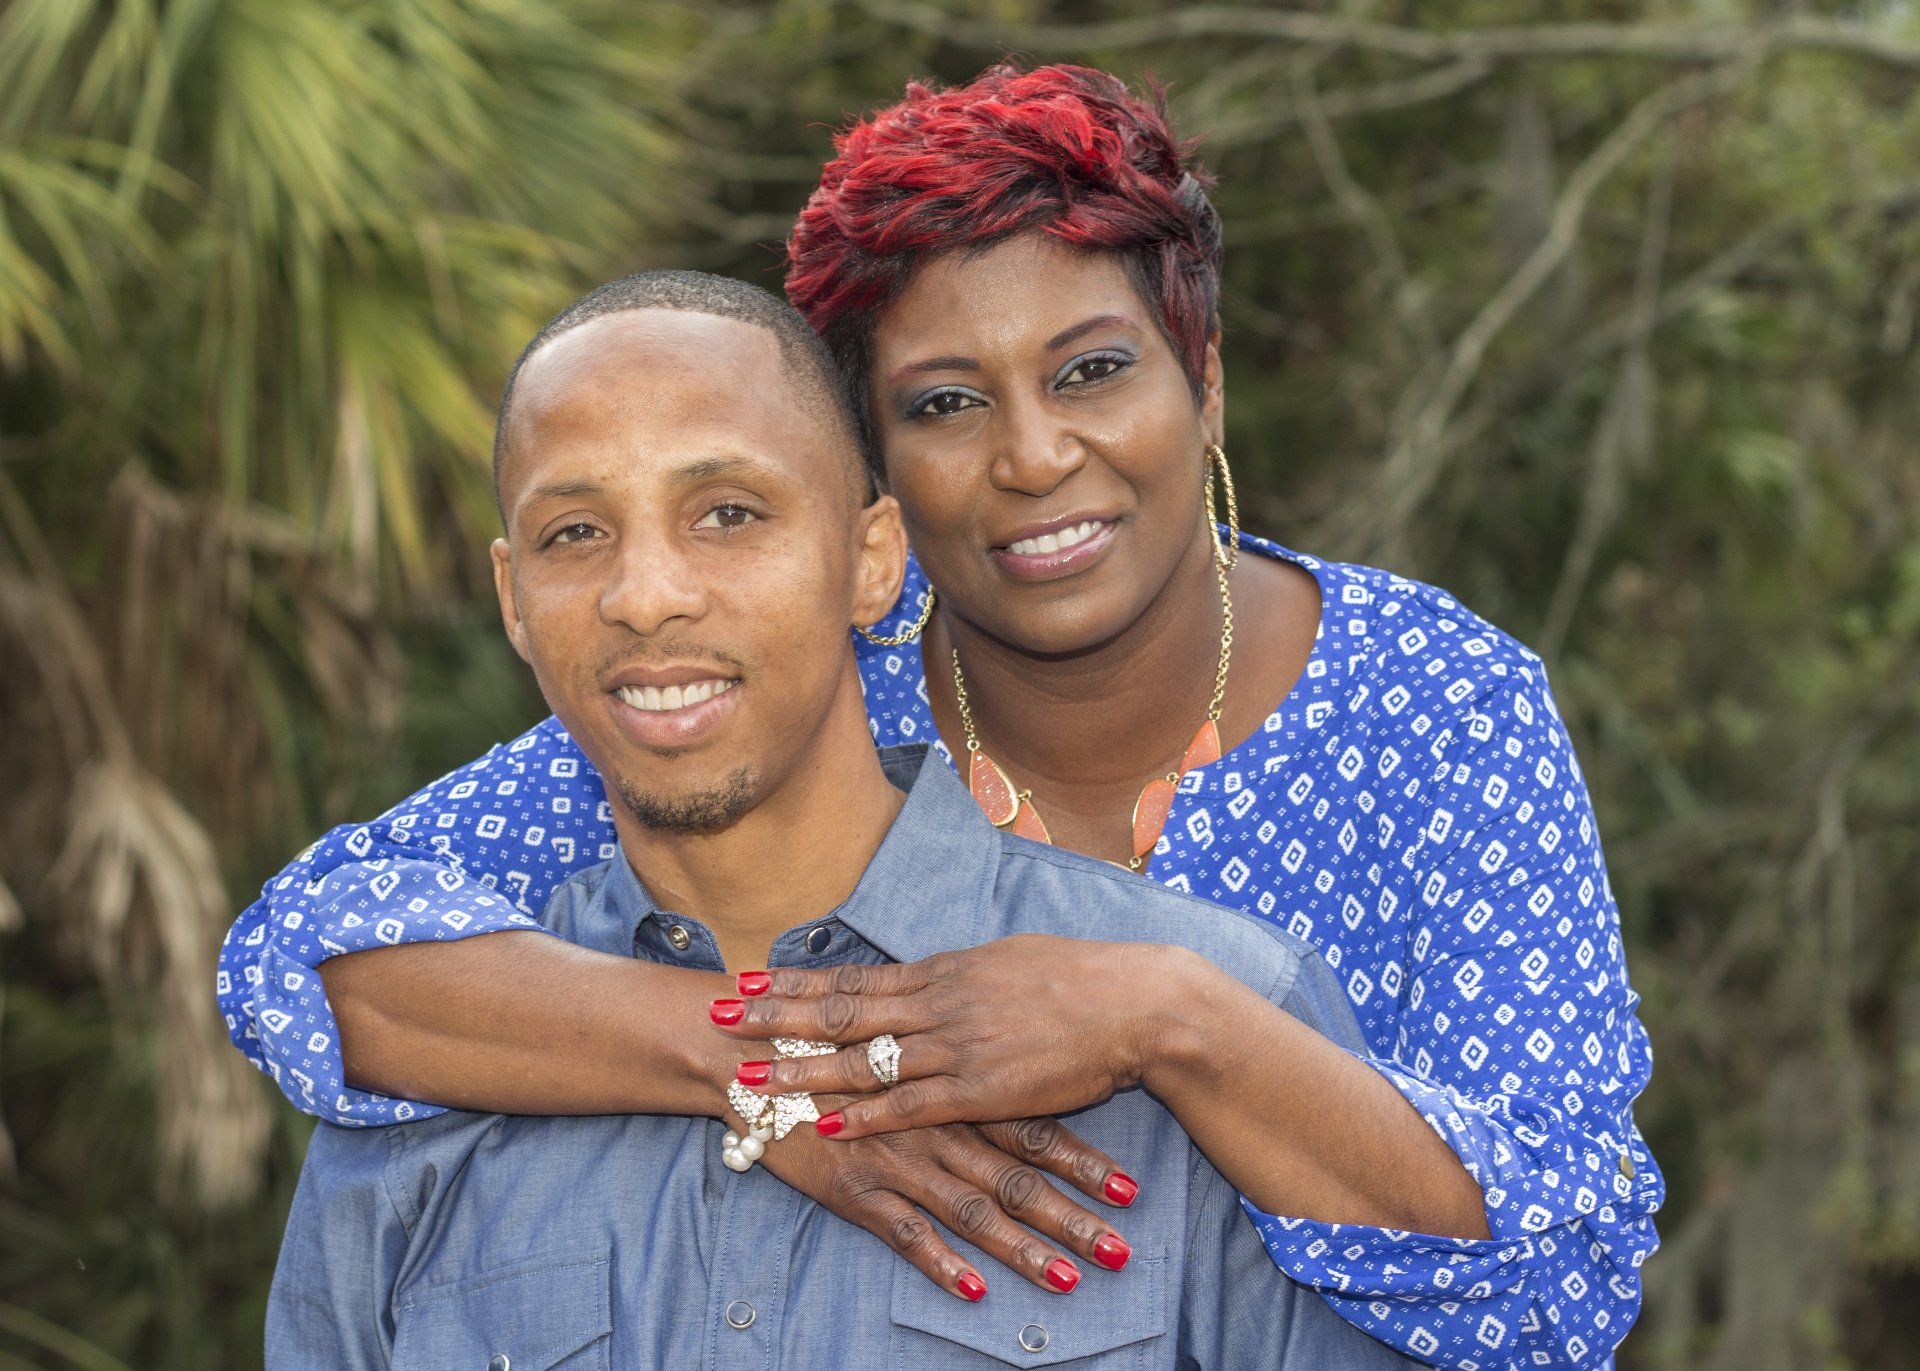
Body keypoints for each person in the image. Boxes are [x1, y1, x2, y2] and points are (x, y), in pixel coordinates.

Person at [224, 64, 1661, 1368]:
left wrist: (1166, 1013)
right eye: (947, 402)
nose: (1034, 455)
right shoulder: (804, 679)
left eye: (1093, 370)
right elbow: (314, 956)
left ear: (1205, 382)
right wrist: (765, 1069)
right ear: (876, 492)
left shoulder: (1435, 706)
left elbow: (1566, 1275)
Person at [266, 267, 1415, 1369]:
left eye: (728, 513)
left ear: (872, 562)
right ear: (515, 601)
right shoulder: (417, 1106)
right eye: (577, 533)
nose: (648, 594)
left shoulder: (1209, 1031)